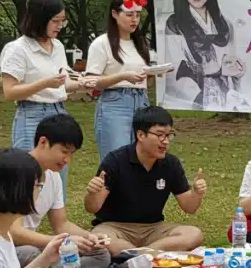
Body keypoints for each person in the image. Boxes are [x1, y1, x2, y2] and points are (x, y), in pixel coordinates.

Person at [84, 106, 206, 254]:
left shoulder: (171, 163)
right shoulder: (115, 160)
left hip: (153, 229)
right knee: (101, 238)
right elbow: (92, 208)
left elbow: (189, 208)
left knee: (194, 234)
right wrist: (92, 193)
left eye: (169, 135)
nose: (165, 141)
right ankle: (150, 255)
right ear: (140, 135)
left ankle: (136, 254)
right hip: (115, 227)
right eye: (160, 135)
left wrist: (196, 193)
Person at [10, 114, 112, 268]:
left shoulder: (53, 176)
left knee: (100, 254)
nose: (67, 160)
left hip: (37, 249)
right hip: (12, 248)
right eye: (64, 152)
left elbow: (61, 224)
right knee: (30, 254)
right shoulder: (17, 171)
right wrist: (59, 243)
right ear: (43, 142)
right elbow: (14, 233)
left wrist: (88, 238)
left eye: (71, 153)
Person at [1, 0, 87, 162]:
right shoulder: (18, 49)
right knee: (31, 173)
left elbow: (62, 83)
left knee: (58, 170)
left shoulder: (58, 46)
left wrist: (82, 83)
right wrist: (44, 83)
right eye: (55, 21)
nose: (60, 25)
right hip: (32, 115)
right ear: (39, 19)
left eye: (63, 21)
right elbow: (9, 92)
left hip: (59, 112)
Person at [164, 0, 245, 110]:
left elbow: (232, 59)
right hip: (194, 93)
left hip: (225, 92)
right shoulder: (174, 24)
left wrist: (236, 70)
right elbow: (174, 69)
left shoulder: (225, 24)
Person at [85, 0, 154, 161]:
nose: (135, 19)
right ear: (115, 14)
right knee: (117, 159)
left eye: (138, 15)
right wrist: (121, 77)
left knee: (143, 158)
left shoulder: (141, 43)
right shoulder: (102, 44)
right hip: (115, 103)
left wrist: (153, 74)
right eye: (129, 14)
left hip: (142, 101)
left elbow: (146, 81)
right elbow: (90, 83)